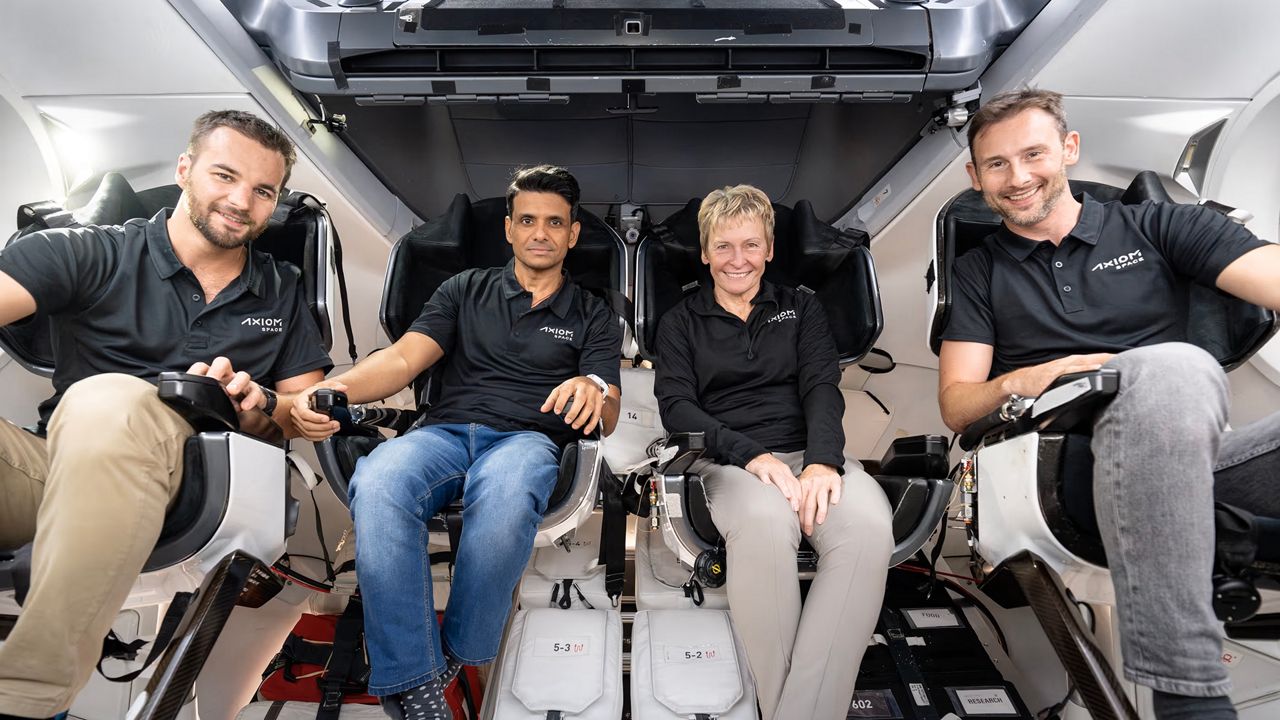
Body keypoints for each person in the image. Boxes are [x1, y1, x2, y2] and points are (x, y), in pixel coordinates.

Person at [938, 88, 1280, 720]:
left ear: (1069, 149)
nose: (1018, 178)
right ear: (975, 177)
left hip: (1197, 454)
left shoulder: (1163, 224)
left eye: (1033, 154)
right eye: (997, 165)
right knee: (1172, 364)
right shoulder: (980, 271)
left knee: (1175, 373)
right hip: (1065, 468)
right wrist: (1040, 375)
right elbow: (958, 406)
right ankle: (1190, 700)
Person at [0, 110, 332, 720]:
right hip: (62, 467)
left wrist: (258, 404)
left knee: (112, 398)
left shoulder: (280, 290)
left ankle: (25, 702)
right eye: (224, 175)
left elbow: (303, 412)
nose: (241, 201)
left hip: (203, 482)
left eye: (263, 191)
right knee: (99, 406)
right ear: (184, 170)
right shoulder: (88, 251)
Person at [291, 165, 622, 720]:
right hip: (443, 433)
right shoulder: (464, 289)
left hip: (527, 439)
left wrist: (591, 389)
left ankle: (457, 652)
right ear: (510, 230)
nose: (540, 232)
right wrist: (334, 386)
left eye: (554, 223)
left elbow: (607, 409)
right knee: (378, 480)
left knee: (508, 489)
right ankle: (419, 681)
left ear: (572, 234)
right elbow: (400, 361)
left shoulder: (591, 313)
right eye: (528, 220)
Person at [653, 184, 893, 720]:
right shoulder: (680, 322)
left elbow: (821, 388)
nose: (738, 260)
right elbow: (677, 408)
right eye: (723, 246)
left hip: (809, 453)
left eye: (750, 245)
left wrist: (822, 461)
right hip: (729, 463)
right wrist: (752, 456)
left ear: (768, 248)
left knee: (870, 529)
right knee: (765, 521)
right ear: (705, 251)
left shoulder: (802, 308)